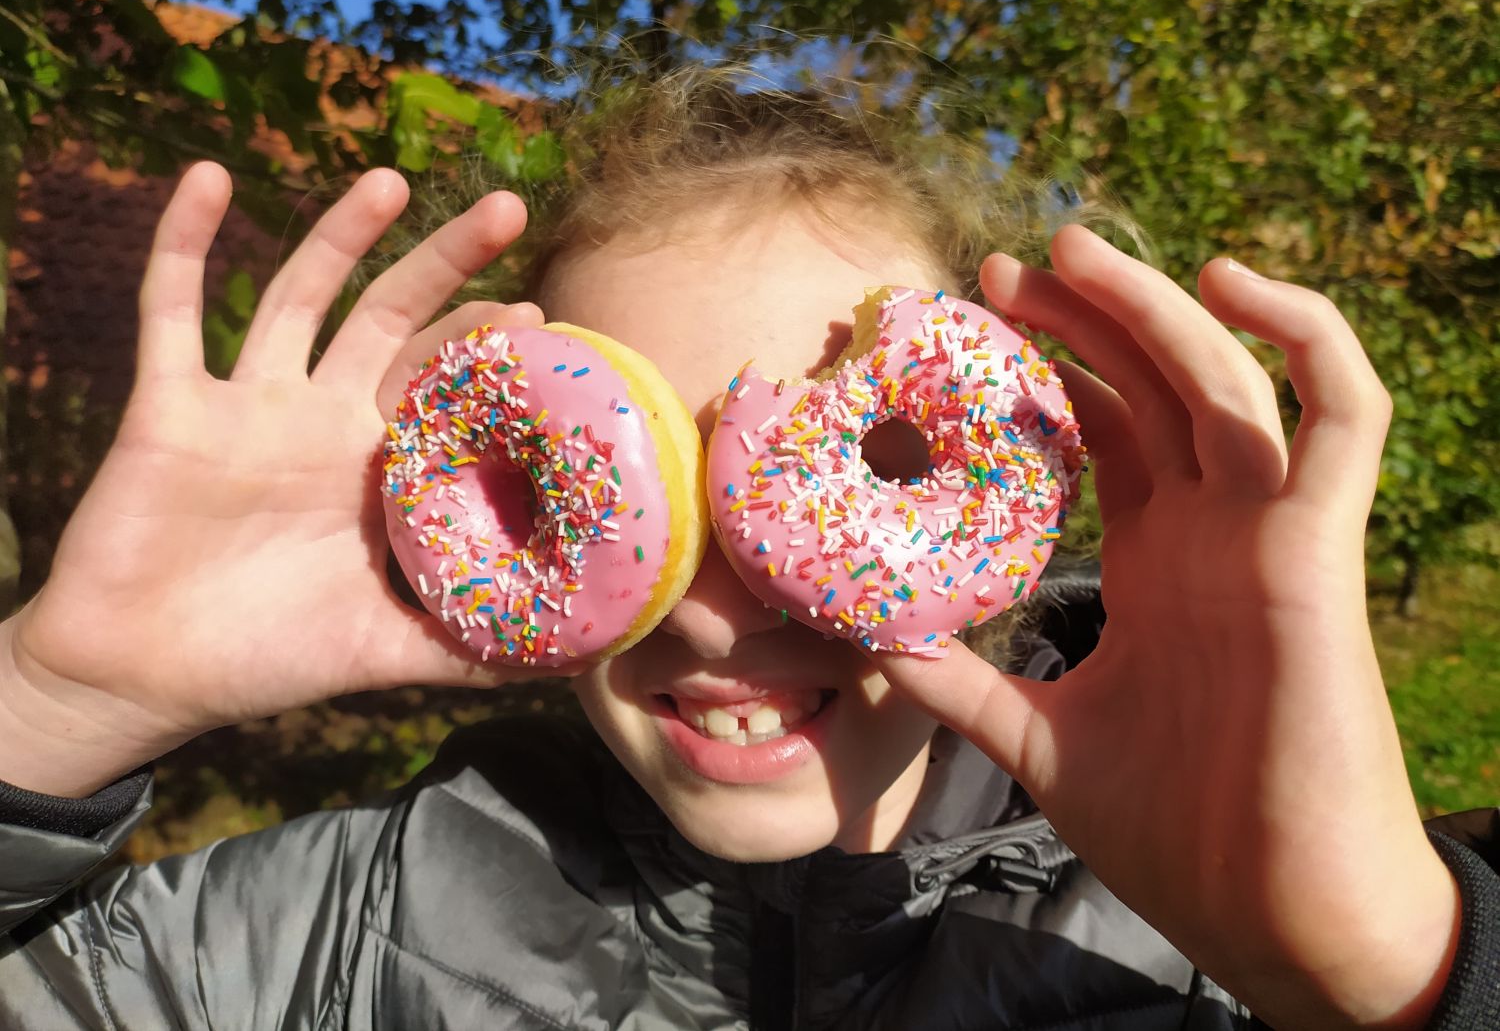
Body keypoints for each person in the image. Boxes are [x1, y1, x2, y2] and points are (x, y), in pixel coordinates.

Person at [0, 61, 1495, 1030]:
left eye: (831, 483)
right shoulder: (345, 928)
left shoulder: (1212, 949)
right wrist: (59, 711)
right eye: (646, 501)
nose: (715, 617)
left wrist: (1407, 979)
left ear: (1009, 507)